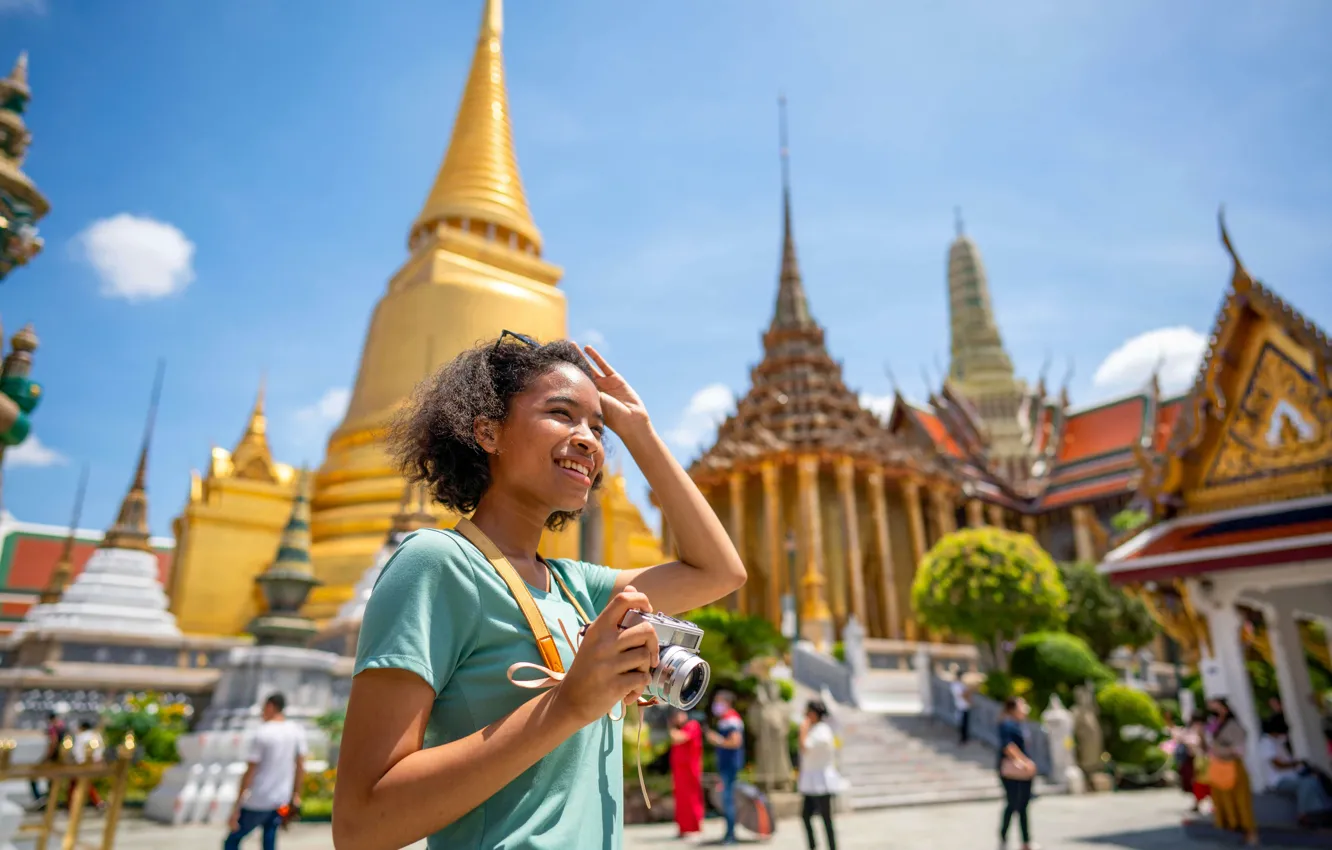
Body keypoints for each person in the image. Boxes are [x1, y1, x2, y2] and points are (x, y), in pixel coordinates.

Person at [332, 335, 746, 850]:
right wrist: (567, 704)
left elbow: (720, 571)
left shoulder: (577, 589)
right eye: (561, 414)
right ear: (487, 431)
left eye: (597, 428)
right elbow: (360, 826)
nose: (589, 440)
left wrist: (638, 432)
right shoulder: (437, 564)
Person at [224, 693, 307, 850]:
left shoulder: (263, 732)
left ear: (270, 706)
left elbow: (250, 770)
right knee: (269, 841)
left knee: (232, 840)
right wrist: (296, 794)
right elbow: (301, 766)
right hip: (281, 799)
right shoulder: (296, 730)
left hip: (258, 799)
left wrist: (237, 804)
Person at [1258, 715, 1332, 828]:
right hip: (1278, 780)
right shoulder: (1266, 743)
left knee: (1316, 778)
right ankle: (1304, 814)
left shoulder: (1278, 742)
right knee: (1307, 783)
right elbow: (1277, 764)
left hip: (1291, 775)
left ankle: (1322, 811)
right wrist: (1295, 764)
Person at [1206, 697, 1258, 846]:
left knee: (1241, 800)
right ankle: (1237, 831)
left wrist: (1220, 750)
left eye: (1216, 708)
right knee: (1225, 801)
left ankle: (1251, 833)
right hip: (1220, 767)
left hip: (1232, 766)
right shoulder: (1215, 726)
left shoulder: (1233, 726)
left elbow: (1239, 749)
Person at [797, 699, 840, 850]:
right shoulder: (815, 729)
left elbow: (805, 747)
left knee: (826, 819)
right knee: (805, 816)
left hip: (822, 780)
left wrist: (803, 730)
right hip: (810, 780)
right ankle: (812, 846)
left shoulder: (822, 731)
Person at [705, 689, 746, 846]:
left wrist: (718, 740)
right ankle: (729, 833)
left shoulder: (731, 720)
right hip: (726, 765)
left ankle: (730, 835)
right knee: (727, 799)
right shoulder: (725, 719)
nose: (716, 705)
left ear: (727, 703)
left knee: (728, 800)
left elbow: (736, 741)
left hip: (730, 765)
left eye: (719, 701)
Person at [997, 697, 1036, 850]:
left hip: (1024, 770)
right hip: (1011, 770)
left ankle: (1026, 841)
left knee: (1024, 805)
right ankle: (1003, 836)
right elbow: (1007, 746)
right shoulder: (1007, 724)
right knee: (1012, 803)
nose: (1025, 708)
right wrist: (1025, 762)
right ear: (1013, 708)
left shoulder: (1021, 725)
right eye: (1022, 705)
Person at [668, 709, 704, 840]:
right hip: (679, 772)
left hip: (690, 770)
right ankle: (683, 828)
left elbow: (679, 738)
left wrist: (670, 728)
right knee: (680, 801)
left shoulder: (692, 725)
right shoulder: (680, 728)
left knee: (692, 799)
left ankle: (694, 827)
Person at [72, 721, 105, 810]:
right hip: (95, 762)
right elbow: (101, 749)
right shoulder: (96, 735)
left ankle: (97, 802)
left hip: (82, 763)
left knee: (83, 782)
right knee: (78, 782)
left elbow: (77, 752)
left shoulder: (81, 736)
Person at [951, 672, 971, 745]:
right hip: (960, 706)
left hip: (965, 706)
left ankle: (965, 738)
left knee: (965, 724)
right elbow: (962, 694)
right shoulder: (955, 685)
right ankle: (962, 739)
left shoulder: (961, 684)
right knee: (962, 724)